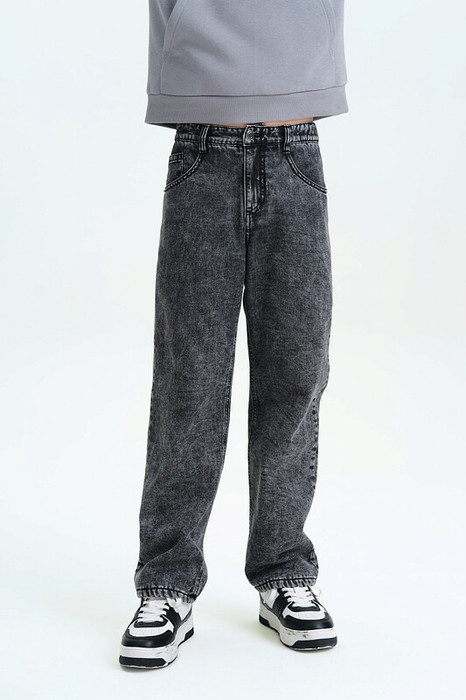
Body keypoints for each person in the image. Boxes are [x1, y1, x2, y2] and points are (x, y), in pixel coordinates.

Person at [119, 0, 348, 669]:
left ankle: (283, 569)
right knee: (189, 382)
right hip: (202, 147)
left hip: (296, 146)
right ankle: (167, 581)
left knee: (296, 372)